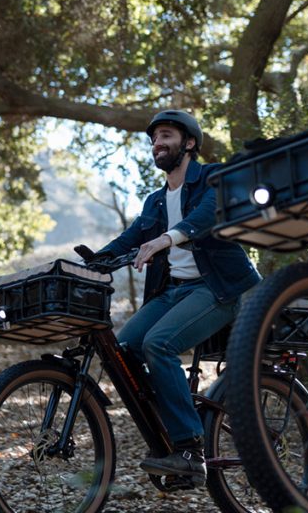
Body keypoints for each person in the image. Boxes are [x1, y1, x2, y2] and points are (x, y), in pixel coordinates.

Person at [90, 109, 261, 484]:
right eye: (153, 139)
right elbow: (129, 239)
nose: (157, 144)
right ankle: (173, 424)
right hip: (174, 292)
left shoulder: (211, 177)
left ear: (189, 142)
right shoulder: (154, 201)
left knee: (160, 343)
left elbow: (207, 215)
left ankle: (190, 448)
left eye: (166, 135)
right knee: (123, 350)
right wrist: (90, 264)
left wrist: (166, 239)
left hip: (217, 288)